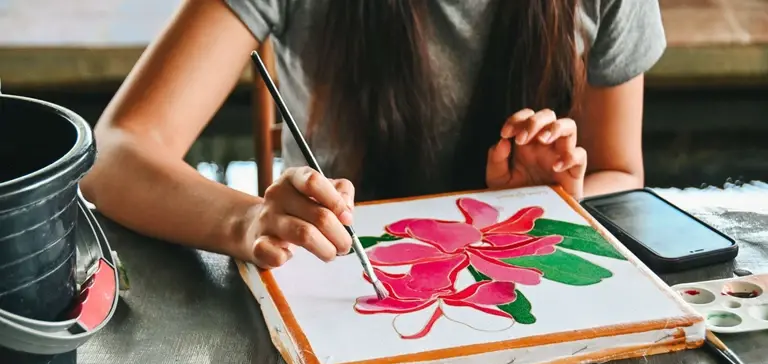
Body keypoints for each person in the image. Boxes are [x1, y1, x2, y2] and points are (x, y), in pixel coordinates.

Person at [80, 0, 667, 270]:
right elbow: (115, 153)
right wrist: (248, 219)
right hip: (340, 279)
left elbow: (621, 172)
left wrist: (544, 201)